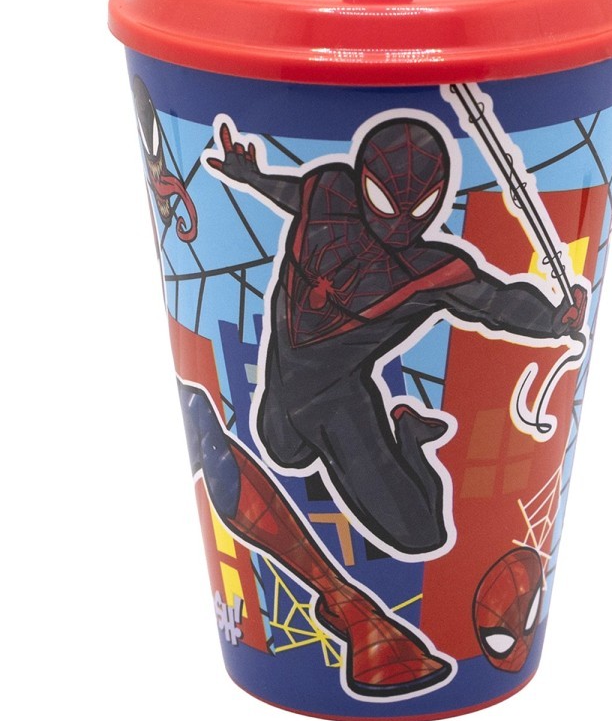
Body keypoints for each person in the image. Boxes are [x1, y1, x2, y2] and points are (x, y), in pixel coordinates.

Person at [207, 114, 586, 558]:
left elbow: (495, 301)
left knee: (421, 533)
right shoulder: (329, 192)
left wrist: (555, 320)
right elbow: (293, 195)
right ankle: (380, 431)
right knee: (282, 451)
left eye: (420, 208)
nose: (401, 222)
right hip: (284, 368)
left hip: (336, 398)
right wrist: (252, 176)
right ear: (362, 181)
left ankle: (409, 434)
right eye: (383, 200)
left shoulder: (427, 271)